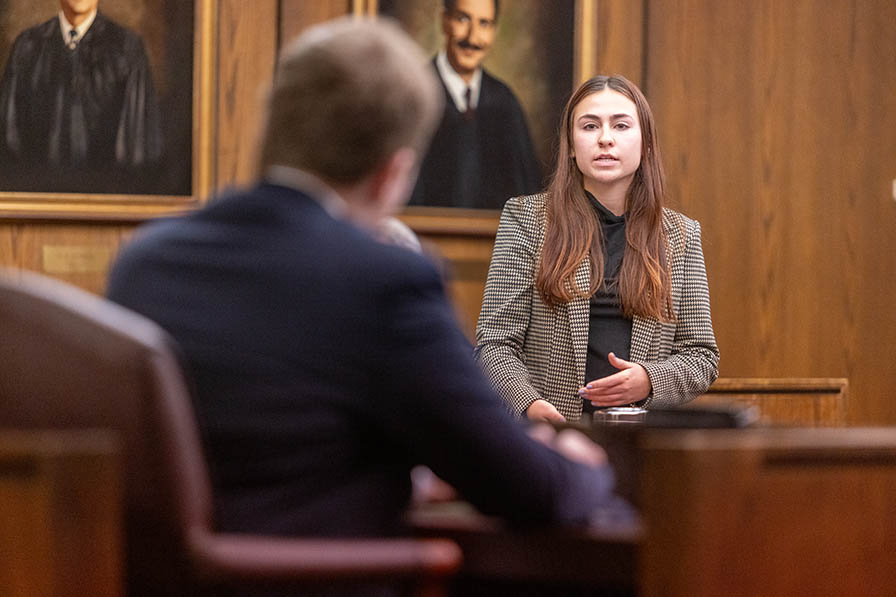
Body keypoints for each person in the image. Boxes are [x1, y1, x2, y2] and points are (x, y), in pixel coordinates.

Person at [106, 17, 617, 546]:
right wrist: (585, 467)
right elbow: (527, 487)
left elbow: (274, 455)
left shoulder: (147, 259)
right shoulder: (387, 281)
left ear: (272, 131)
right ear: (393, 173)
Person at [475, 75, 720, 423]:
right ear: (572, 145)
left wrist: (649, 380)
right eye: (590, 126)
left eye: (621, 125)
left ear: (645, 143)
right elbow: (495, 345)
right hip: (546, 437)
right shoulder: (527, 219)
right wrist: (529, 405)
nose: (605, 138)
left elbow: (701, 357)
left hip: (637, 442)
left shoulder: (680, 234)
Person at [0, 0, 162, 193]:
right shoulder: (27, 47)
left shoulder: (126, 48)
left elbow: (135, 147)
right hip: (38, 199)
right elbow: (9, 138)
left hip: (106, 201)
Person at [408, 0, 541, 209]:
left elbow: (528, 197)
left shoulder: (505, 103)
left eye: (484, 23)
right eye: (462, 19)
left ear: (494, 31)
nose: (473, 37)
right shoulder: (413, 95)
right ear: (444, 21)